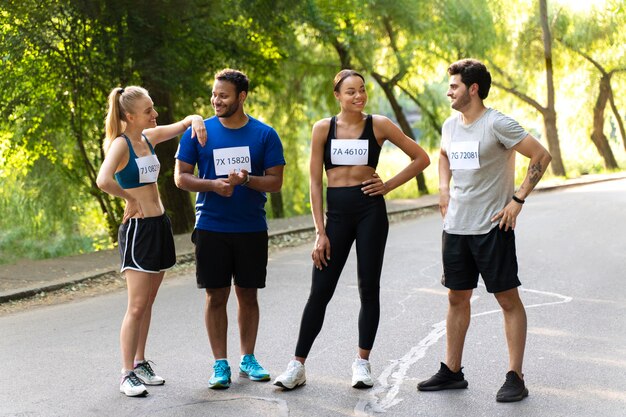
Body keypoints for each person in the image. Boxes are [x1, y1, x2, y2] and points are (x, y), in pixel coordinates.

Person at [273, 69, 431, 390]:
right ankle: (297, 365)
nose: (358, 96)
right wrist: (320, 231)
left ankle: (362, 363)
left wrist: (387, 186)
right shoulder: (323, 129)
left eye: (362, 90)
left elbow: (421, 157)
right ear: (337, 96)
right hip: (337, 216)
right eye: (350, 92)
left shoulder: (379, 125)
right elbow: (315, 183)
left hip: (370, 212)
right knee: (320, 291)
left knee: (368, 288)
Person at [416, 59, 552, 402]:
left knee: (507, 299)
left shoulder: (497, 124)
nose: (449, 91)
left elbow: (540, 155)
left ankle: (515, 376)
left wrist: (518, 200)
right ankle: (452, 371)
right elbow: (443, 155)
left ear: (473, 89)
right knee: (456, 297)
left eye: (454, 86)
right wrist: (443, 188)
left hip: (493, 227)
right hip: (456, 227)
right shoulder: (450, 124)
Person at [174, 69, 285, 390]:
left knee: (248, 295)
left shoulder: (265, 135)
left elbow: (276, 182)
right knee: (215, 295)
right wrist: (212, 185)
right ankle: (220, 363)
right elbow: (181, 177)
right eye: (214, 95)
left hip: (251, 228)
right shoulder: (199, 133)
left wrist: (247, 180)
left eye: (223, 95)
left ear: (242, 97)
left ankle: (247, 358)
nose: (216, 100)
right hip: (211, 226)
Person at [96, 86, 206, 397]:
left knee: (149, 304)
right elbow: (103, 180)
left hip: (159, 225)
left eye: (154, 108)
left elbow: (185, 123)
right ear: (129, 116)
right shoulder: (120, 145)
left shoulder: (149, 137)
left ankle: (140, 362)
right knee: (136, 306)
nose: (155, 115)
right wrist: (128, 197)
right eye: (148, 111)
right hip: (138, 231)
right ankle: (126, 372)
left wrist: (196, 119)